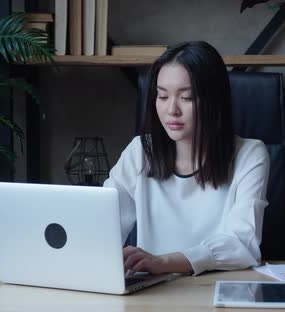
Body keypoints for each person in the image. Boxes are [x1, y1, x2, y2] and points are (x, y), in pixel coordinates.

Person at [103, 41, 270, 276]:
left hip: (218, 289)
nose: (172, 110)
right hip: (154, 294)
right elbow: (103, 223)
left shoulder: (250, 155)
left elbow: (242, 243)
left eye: (187, 98)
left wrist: (163, 262)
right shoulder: (140, 151)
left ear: (214, 101)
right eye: (162, 96)